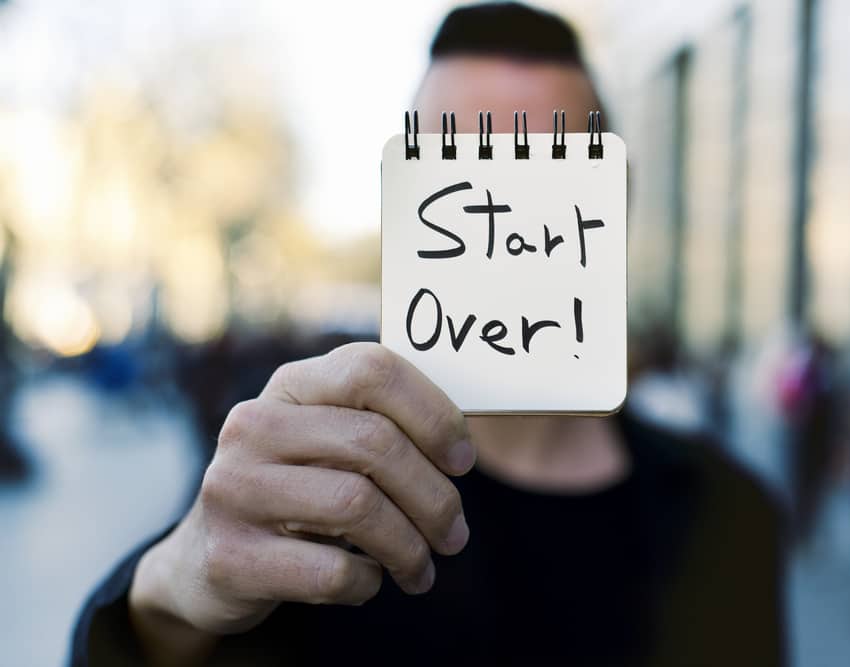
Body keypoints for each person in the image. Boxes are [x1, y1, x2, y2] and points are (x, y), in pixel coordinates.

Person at [72, 4, 786, 665]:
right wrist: (171, 586)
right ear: (404, 208)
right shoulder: (307, 471)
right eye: (457, 161)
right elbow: (176, 624)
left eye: (550, 167)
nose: (498, 208)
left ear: (614, 204)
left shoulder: (732, 516)